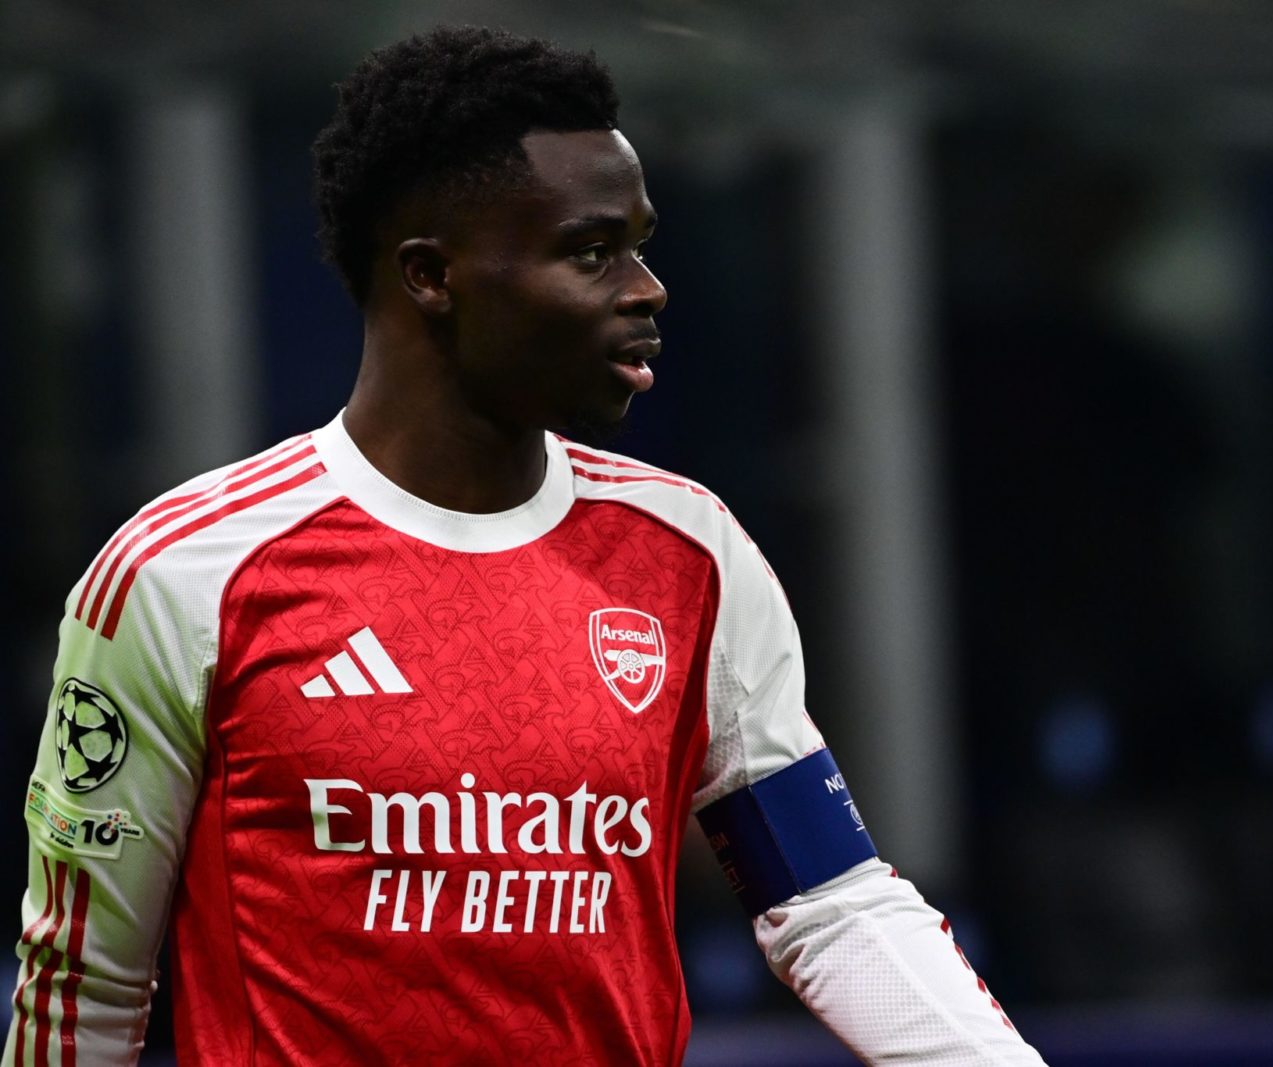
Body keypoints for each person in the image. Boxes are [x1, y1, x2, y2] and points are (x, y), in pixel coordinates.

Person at [5, 26, 1045, 1066]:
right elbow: (85, 983)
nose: (646, 288)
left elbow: (829, 899)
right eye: (591, 252)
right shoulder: (188, 572)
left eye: (639, 244)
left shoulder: (690, 553)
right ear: (430, 275)